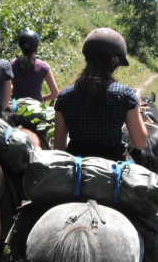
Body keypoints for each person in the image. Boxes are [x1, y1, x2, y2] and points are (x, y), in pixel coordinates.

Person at [53, 27, 148, 162]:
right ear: (115, 61)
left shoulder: (64, 96)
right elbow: (140, 143)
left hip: (76, 170)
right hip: (114, 169)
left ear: (86, 57)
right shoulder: (125, 95)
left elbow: (58, 148)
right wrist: (136, 105)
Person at [10, 29, 59, 103]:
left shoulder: (12, 63)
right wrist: (43, 98)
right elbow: (55, 94)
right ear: (37, 48)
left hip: (15, 107)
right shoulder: (43, 66)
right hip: (36, 108)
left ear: (20, 47)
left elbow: (5, 89)